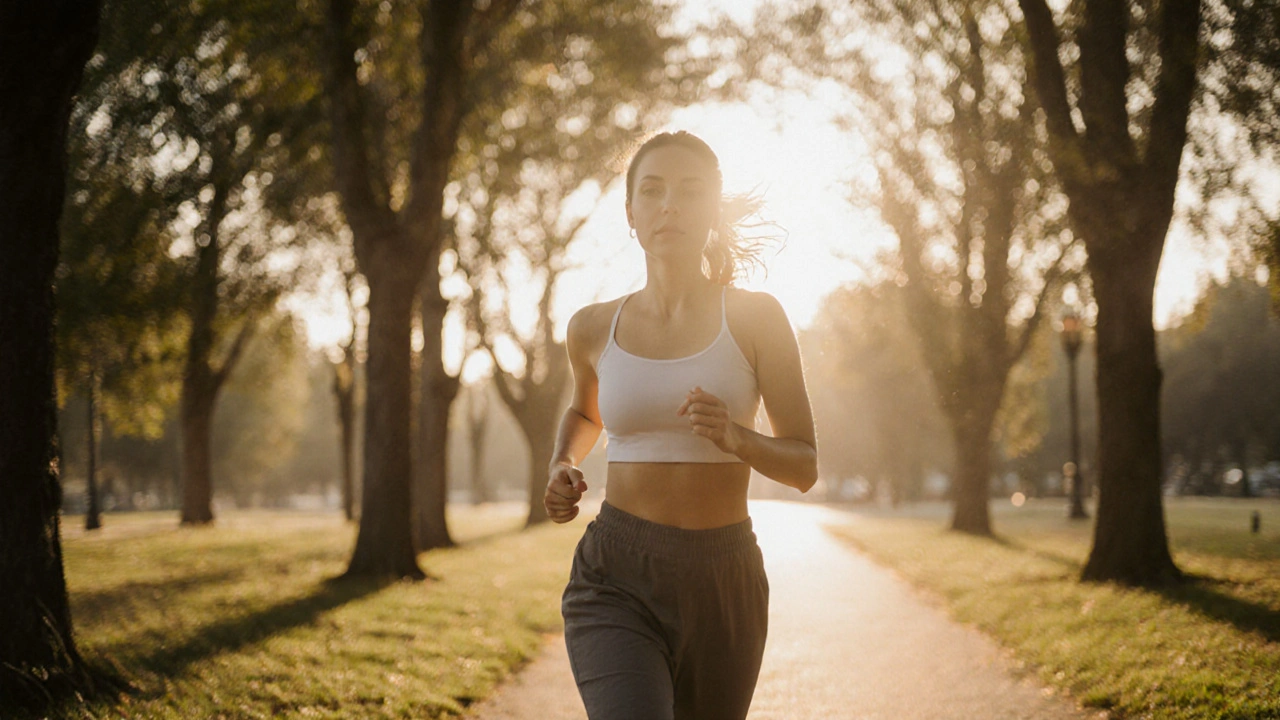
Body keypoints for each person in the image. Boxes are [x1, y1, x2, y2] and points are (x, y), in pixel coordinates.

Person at [545, 131, 818, 720]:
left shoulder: (756, 318)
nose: (670, 204)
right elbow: (585, 412)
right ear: (631, 214)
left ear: (713, 212)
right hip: (614, 574)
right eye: (653, 190)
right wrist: (562, 464)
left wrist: (736, 437)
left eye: (691, 192)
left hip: (724, 580)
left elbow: (804, 466)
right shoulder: (591, 327)